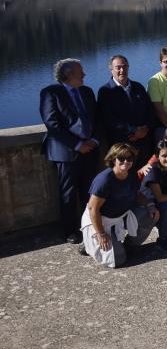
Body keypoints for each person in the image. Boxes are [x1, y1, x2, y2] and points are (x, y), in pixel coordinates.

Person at [41, 58, 99, 244]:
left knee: (89, 191)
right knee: (68, 193)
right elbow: (52, 124)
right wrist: (77, 145)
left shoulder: (87, 92)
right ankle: (70, 232)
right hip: (66, 152)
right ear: (68, 75)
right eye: (80, 71)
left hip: (90, 149)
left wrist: (94, 140)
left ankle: (90, 225)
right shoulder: (51, 93)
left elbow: (97, 118)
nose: (84, 74)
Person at [80, 143, 158, 268]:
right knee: (118, 260)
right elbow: (93, 209)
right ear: (113, 159)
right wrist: (101, 234)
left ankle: (129, 245)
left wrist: (150, 205)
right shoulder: (104, 180)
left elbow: (137, 194)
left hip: (120, 216)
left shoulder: (131, 175)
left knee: (149, 216)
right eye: (121, 158)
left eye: (129, 158)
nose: (126, 162)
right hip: (101, 220)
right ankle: (87, 244)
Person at [97, 55, 152, 166]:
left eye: (125, 67)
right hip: (122, 144)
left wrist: (146, 128)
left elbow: (150, 111)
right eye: (118, 67)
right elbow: (108, 119)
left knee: (146, 176)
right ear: (111, 70)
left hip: (144, 141)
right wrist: (133, 131)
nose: (122, 70)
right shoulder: (105, 91)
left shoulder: (138, 87)